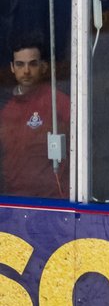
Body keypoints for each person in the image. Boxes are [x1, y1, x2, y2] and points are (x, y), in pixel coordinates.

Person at [1, 37, 70, 198]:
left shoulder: (59, 103)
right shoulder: (5, 110)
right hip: (12, 202)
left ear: (43, 66)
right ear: (12, 67)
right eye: (20, 64)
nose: (26, 71)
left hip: (52, 203)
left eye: (32, 64)